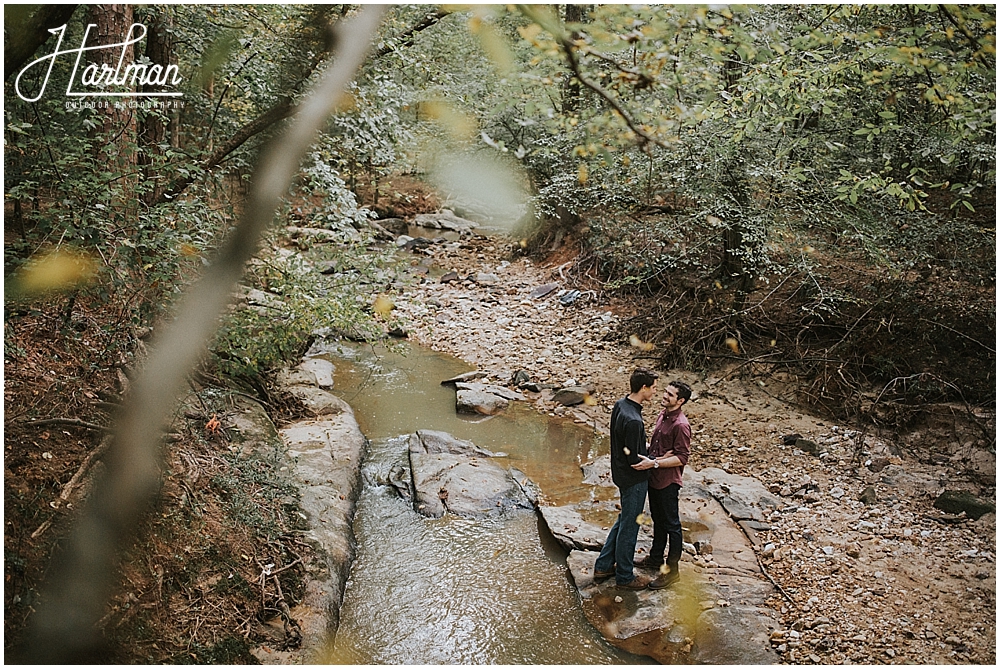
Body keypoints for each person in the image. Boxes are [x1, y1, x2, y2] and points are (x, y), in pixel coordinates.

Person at [593, 367, 659, 590]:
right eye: (653, 388)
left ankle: (603, 565)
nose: (655, 393)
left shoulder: (621, 404)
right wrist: (653, 460)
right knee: (630, 526)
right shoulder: (634, 420)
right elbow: (635, 460)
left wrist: (643, 446)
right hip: (633, 479)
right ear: (643, 387)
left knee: (624, 520)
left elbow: (627, 445)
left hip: (620, 473)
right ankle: (624, 576)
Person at [632, 380, 692, 589]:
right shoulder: (662, 415)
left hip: (668, 482)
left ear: (680, 400)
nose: (664, 396)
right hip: (655, 478)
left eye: (670, 394)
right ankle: (655, 558)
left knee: (672, 526)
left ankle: (672, 571)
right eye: (665, 392)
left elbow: (682, 457)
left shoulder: (681, 425)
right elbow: (658, 447)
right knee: (658, 520)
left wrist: (656, 462)